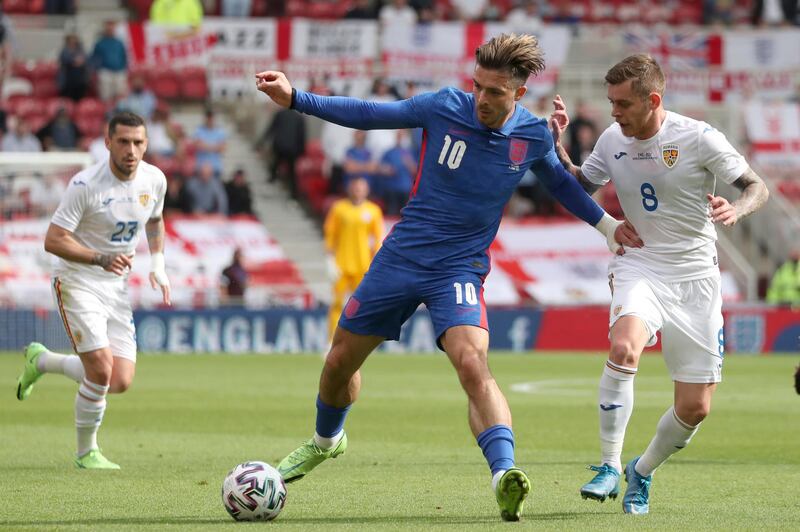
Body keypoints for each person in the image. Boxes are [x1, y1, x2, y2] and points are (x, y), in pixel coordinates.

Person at [256, 33, 640, 522]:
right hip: (401, 258)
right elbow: (372, 114)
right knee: (338, 365)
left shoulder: (533, 137)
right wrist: (296, 99)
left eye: (495, 92)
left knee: (471, 362)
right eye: (477, 86)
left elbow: (562, 184)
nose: (481, 98)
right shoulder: (443, 107)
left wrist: (605, 226)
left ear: (518, 95)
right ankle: (325, 441)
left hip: (459, 269)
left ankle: (505, 475)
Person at [549, 54, 769, 515]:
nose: (613, 113)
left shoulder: (698, 137)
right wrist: (559, 149)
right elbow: (578, 188)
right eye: (610, 102)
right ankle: (608, 465)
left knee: (695, 408)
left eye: (623, 104)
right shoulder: (612, 139)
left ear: (653, 100)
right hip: (641, 265)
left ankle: (641, 470)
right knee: (624, 347)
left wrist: (737, 209)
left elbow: (756, 187)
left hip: (696, 278)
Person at [15, 111, 171, 469]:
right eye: (123, 141)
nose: (131, 150)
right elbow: (53, 240)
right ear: (107, 142)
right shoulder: (86, 185)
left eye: (138, 142)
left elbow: (156, 220)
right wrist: (98, 258)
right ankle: (86, 452)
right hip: (76, 280)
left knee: (119, 380)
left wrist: (158, 265)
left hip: (115, 286)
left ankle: (41, 361)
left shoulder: (154, 180)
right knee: (100, 369)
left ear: (146, 144)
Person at [323, 176, 384, 340]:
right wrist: (329, 259)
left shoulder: (373, 211)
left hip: (363, 266)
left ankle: (357, 342)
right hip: (341, 265)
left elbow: (378, 240)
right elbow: (330, 234)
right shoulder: (339, 209)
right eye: (356, 188)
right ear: (350, 189)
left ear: (367, 190)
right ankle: (331, 342)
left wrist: (376, 264)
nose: (358, 191)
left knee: (362, 306)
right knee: (337, 304)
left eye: (361, 188)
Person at [91, 20, 128, 103]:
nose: (110, 30)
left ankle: (120, 114)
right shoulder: (100, 43)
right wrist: (97, 69)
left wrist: (123, 68)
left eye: (112, 28)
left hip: (119, 71)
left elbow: (124, 56)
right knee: (106, 96)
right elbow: (94, 57)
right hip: (105, 72)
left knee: (120, 96)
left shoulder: (119, 43)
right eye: (108, 28)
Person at [57, 33, 90, 101]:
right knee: (67, 100)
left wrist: (77, 62)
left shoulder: (81, 50)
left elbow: (85, 60)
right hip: (68, 81)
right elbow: (66, 60)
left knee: (79, 99)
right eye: (71, 40)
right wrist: (75, 61)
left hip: (80, 80)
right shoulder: (64, 51)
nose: (73, 41)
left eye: (74, 39)